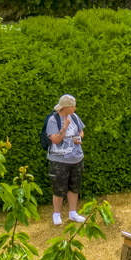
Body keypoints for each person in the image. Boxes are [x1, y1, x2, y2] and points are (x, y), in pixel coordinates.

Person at [45, 94, 86, 227]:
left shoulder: (74, 117)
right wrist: (65, 126)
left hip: (76, 158)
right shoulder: (53, 120)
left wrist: (79, 136)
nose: (75, 108)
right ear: (66, 107)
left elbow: (81, 131)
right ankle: (56, 214)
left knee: (74, 186)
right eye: (73, 106)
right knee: (59, 188)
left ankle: (73, 213)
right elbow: (55, 140)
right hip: (59, 160)